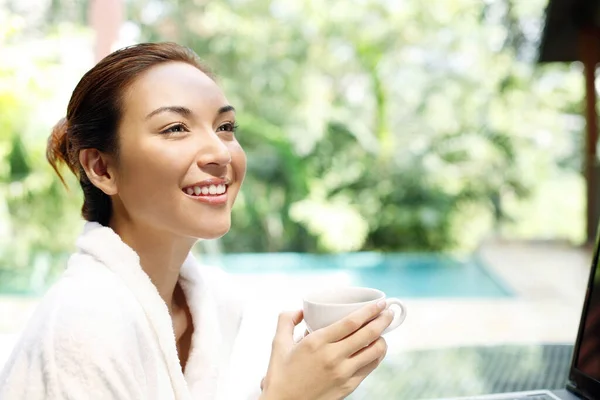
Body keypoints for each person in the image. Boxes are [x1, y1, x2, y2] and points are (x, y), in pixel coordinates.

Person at [0, 42, 393, 400]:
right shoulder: (82, 326)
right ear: (101, 168)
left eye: (224, 127)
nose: (219, 153)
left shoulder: (215, 306)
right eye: (175, 128)